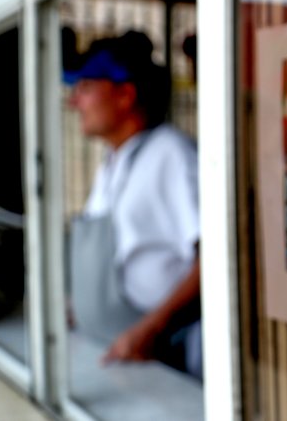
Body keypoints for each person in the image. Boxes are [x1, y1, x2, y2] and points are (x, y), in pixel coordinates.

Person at [65, 31, 202, 377]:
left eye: (85, 88)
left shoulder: (171, 154)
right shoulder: (114, 161)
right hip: (116, 351)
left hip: (163, 354)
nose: (73, 101)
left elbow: (215, 258)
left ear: (125, 95)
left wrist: (151, 329)